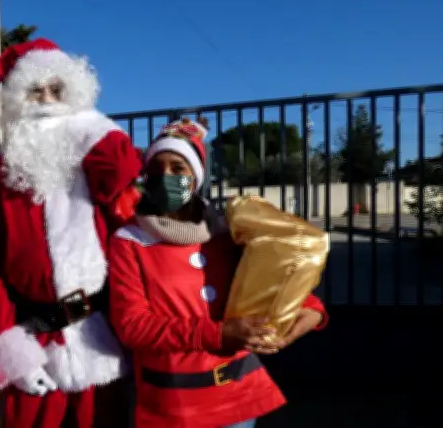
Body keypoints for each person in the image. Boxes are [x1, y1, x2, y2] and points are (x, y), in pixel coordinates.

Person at [108, 118, 329, 428]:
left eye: (178, 168)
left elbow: (273, 277)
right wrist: (219, 332)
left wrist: (311, 312)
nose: (165, 176)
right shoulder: (130, 241)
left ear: (196, 176)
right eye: (156, 168)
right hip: (174, 405)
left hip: (238, 398)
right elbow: (132, 326)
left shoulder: (229, 231)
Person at [0, 38, 143, 428]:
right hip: (34, 343)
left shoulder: (91, 161)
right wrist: (12, 352)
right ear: (18, 102)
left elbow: (122, 166)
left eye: (58, 91)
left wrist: (82, 121)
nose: (47, 101)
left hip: (99, 337)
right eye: (36, 92)